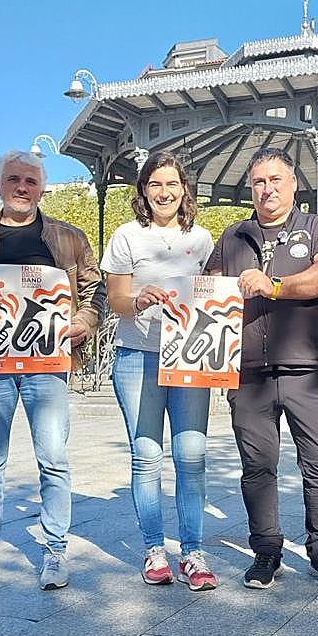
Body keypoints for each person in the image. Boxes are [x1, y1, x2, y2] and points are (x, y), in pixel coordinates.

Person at [0, 150, 105, 594]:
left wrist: (84, 321)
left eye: (30, 180)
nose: (22, 187)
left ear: (42, 188)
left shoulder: (69, 238)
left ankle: (55, 550)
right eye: (13, 179)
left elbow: (95, 291)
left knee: (54, 459)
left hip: (48, 362)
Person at [204, 147, 318, 589]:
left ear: (294, 185)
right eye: (258, 182)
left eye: (275, 180)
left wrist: (276, 285)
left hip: (306, 369)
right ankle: (265, 551)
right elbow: (207, 291)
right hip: (248, 374)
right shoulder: (232, 237)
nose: (266, 189)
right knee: (257, 466)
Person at [102, 152, 218, 591]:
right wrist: (138, 301)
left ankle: (193, 551)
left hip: (190, 357)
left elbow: (215, 296)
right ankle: (154, 548)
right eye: (155, 185)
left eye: (171, 184)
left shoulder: (203, 240)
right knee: (146, 455)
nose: (164, 192)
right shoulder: (127, 237)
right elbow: (115, 300)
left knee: (191, 456)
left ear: (184, 189)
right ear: (143, 191)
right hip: (138, 355)